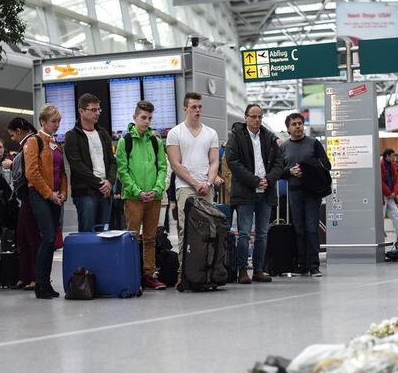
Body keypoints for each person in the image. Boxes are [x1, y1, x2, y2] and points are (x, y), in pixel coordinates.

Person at [225, 104, 283, 284]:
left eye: (260, 117)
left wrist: (269, 179)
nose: (257, 120)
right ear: (246, 117)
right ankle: (242, 270)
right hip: (245, 191)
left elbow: (279, 162)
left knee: (263, 234)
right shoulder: (236, 137)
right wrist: (254, 180)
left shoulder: (269, 137)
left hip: (266, 191)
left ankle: (258, 269)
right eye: (253, 116)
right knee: (244, 233)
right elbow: (233, 162)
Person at [116, 101, 168, 290]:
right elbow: (123, 171)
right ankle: (132, 274)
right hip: (133, 198)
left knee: (150, 238)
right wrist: (138, 191)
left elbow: (162, 167)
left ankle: (149, 274)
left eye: (149, 118)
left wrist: (157, 188)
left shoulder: (155, 141)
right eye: (143, 118)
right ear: (134, 118)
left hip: (153, 197)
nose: (146, 122)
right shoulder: (125, 141)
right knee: (132, 237)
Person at [166, 92, 220, 269]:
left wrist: (209, 183)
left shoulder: (211, 133)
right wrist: (195, 184)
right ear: (185, 109)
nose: (197, 110)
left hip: (207, 187)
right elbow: (175, 164)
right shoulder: (175, 133)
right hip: (185, 188)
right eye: (193, 107)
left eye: (200, 107)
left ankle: (207, 271)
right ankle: (183, 271)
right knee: (185, 230)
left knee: (209, 229)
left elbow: (214, 162)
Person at [280, 112, 330, 277]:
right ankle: (301, 264)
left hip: (312, 192)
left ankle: (314, 265)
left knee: (311, 228)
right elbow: (278, 171)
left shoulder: (314, 143)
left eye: (300, 123)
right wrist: (290, 171)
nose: (297, 126)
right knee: (299, 229)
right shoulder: (284, 147)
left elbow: (326, 165)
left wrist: (306, 169)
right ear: (288, 128)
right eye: (294, 124)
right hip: (294, 192)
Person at [25, 105, 68, 299]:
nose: (57, 125)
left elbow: (63, 173)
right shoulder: (34, 141)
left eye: (58, 121)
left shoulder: (56, 144)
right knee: (48, 237)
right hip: (39, 195)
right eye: (53, 121)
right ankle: (40, 283)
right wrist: (50, 194)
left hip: (55, 196)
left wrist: (63, 193)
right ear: (43, 121)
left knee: (51, 242)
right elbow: (31, 172)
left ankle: (45, 282)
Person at [64, 93, 117, 232]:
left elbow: (112, 161)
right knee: (87, 234)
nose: (97, 113)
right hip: (85, 192)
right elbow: (77, 166)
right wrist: (100, 184)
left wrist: (110, 182)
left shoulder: (103, 133)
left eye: (98, 109)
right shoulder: (72, 136)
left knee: (104, 233)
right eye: (93, 110)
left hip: (105, 191)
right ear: (81, 111)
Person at [7, 117, 40, 290]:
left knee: (31, 237)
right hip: (26, 197)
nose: (11, 137)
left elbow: (28, 169)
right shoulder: (27, 143)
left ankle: (34, 276)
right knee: (22, 237)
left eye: (12, 134)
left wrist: (12, 165)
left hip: (30, 195)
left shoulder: (31, 143)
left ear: (19, 130)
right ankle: (25, 275)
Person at [381, 149, 398, 242]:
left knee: (396, 214)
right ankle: (379, 234)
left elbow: (397, 180)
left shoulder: (393, 165)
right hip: (382, 195)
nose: (394, 157)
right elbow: (380, 181)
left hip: (391, 195)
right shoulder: (379, 165)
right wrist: (389, 193)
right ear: (387, 156)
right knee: (380, 215)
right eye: (393, 156)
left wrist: (394, 193)